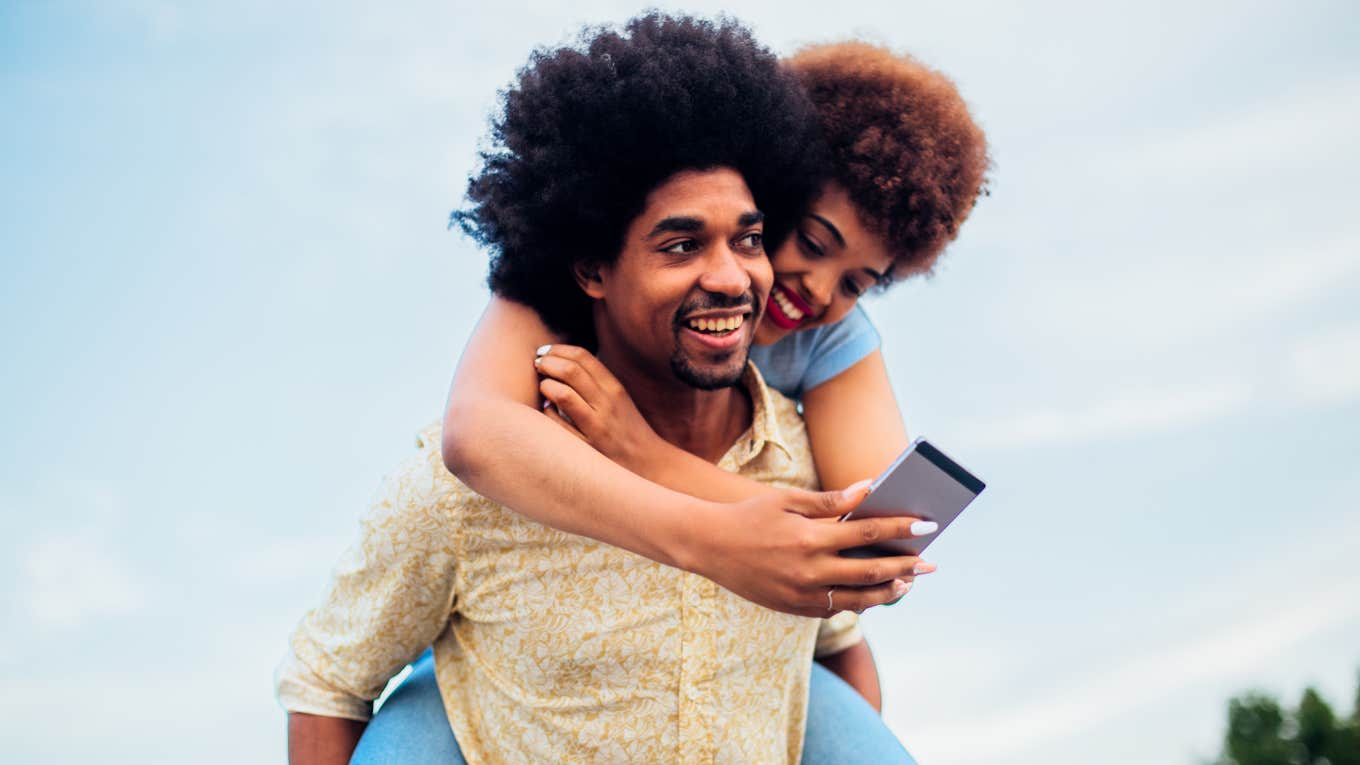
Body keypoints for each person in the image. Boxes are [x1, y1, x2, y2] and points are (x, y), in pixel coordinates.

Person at [277, 14, 924, 764]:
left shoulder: (803, 447)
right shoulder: (479, 474)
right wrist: (713, 532)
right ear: (590, 269)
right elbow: (328, 679)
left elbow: (843, 634)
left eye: (747, 239)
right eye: (682, 245)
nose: (731, 275)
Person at [441, 43, 990, 620]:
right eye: (811, 243)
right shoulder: (589, 268)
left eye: (857, 283)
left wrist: (645, 455)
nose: (822, 292)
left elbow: (872, 537)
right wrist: (718, 536)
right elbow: (476, 434)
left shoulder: (832, 338)